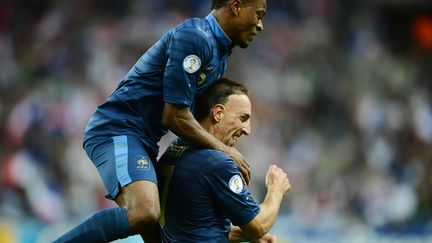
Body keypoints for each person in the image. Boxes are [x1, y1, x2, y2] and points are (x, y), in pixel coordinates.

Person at [54, 0, 267, 242]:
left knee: (165, 236)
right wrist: (224, 150)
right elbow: (174, 115)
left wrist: (249, 236)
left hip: (145, 140)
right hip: (119, 128)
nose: (260, 25)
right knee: (145, 212)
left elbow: (193, 121)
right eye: (259, 14)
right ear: (236, 6)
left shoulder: (218, 57)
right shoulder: (195, 37)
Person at [157, 78, 291, 242]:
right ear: (218, 113)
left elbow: (193, 228)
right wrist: (276, 189)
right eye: (243, 118)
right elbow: (258, 225)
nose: (247, 130)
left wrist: (248, 237)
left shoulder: (176, 148)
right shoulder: (215, 162)